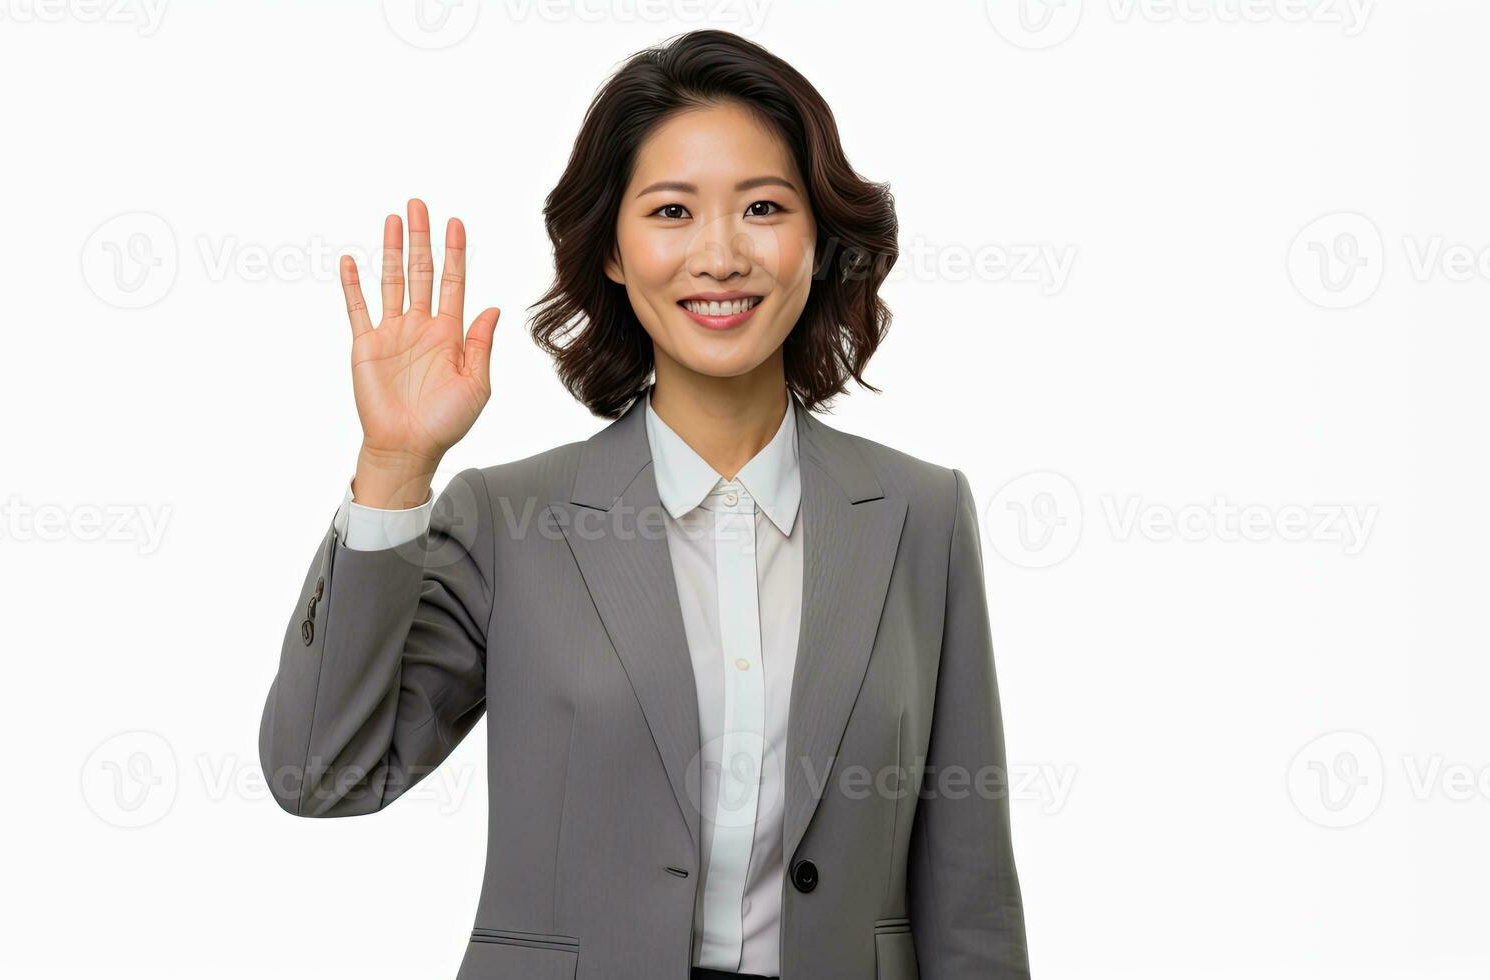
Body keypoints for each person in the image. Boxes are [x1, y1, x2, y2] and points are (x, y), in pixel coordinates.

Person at [256, 29, 1030, 980]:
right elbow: (319, 775)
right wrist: (392, 468)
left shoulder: (921, 512)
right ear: (614, 252)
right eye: (671, 210)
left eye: (762, 207)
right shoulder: (508, 520)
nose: (720, 254)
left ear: (817, 240)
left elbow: (969, 888)